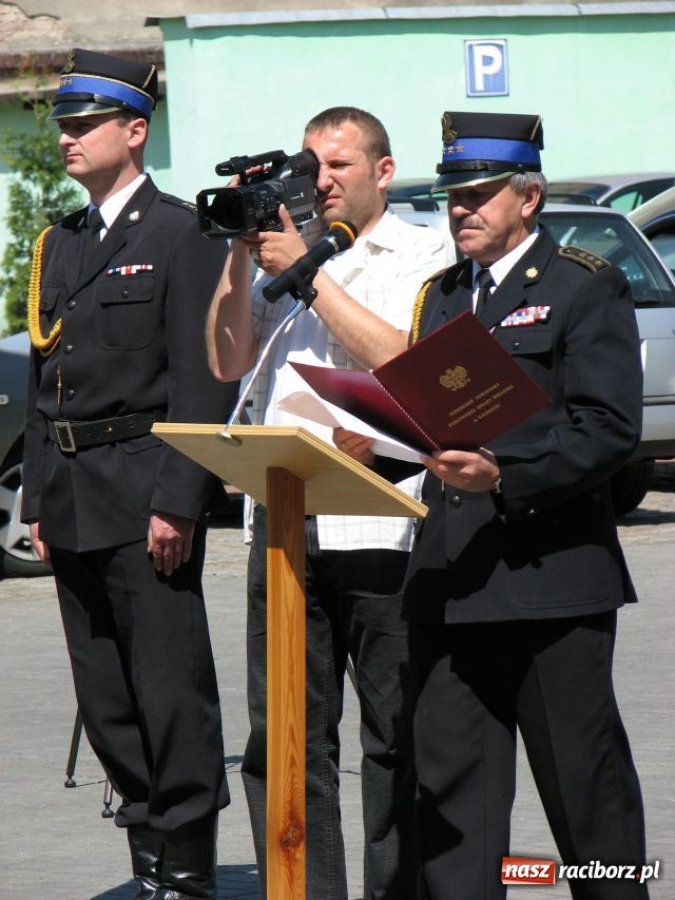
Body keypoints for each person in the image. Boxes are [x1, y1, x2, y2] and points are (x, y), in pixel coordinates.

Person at [336, 110, 650, 900]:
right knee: (453, 804)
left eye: (477, 195)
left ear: (527, 198)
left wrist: (503, 475)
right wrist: (385, 442)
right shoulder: (442, 297)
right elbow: (435, 420)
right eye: (451, 197)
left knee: (586, 795)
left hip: (550, 583)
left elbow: (607, 430)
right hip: (451, 579)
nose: (460, 210)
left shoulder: (583, 284)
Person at [206, 106, 450, 899]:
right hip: (282, 528)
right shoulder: (284, 251)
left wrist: (311, 275)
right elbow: (224, 360)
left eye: (339, 166)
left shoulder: (423, 251)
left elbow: (411, 365)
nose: (321, 181)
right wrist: (244, 259)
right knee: (282, 741)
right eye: (312, 165)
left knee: (394, 739)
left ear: (383, 171)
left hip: (381, 522)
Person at [21, 49, 240, 900]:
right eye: (65, 126)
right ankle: (145, 855)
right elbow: (50, 381)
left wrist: (181, 500)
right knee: (105, 691)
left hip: (146, 488)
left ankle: (185, 868)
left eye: (85, 126)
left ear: (134, 131)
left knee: (168, 689)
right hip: (74, 494)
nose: (69, 139)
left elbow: (201, 378)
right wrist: (37, 497)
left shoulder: (181, 233)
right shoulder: (62, 241)